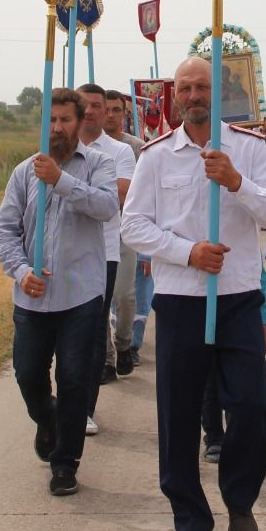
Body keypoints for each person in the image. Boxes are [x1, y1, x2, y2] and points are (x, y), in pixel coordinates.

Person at [121, 56, 266, 531]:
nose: (193, 95)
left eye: (202, 87)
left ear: (218, 94)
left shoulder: (249, 148)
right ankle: (190, 522)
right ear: (174, 96)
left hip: (237, 298)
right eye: (185, 88)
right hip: (180, 299)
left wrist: (237, 182)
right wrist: (187, 251)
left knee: (254, 408)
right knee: (176, 414)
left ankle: (239, 498)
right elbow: (134, 227)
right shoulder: (155, 157)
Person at [0, 89, 120, 496]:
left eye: (66, 120)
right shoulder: (23, 173)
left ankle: (65, 463)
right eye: (51, 120)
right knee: (28, 373)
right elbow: (5, 231)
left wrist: (61, 181)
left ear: (80, 122)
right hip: (32, 295)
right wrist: (20, 270)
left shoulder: (98, 164)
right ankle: (46, 419)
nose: (58, 128)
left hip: (80, 294)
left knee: (74, 379)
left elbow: (105, 207)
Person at [76, 83, 136, 432]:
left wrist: (69, 186)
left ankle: (85, 407)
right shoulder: (57, 148)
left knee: (96, 327)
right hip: (65, 251)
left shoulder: (120, 152)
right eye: (85, 105)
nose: (92, 111)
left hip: (106, 249)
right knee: (69, 331)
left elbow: (117, 197)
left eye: (98, 106)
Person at [104, 90, 146, 375]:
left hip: (125, 228)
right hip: (95, 230)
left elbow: (141, 192)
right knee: (98, 299)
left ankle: (124, 344)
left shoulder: (136, 148)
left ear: (124, 114)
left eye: (116, 110)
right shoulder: (88, 146)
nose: (110, 115)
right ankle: (105, 359)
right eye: (105, 109)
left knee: (124, 296)